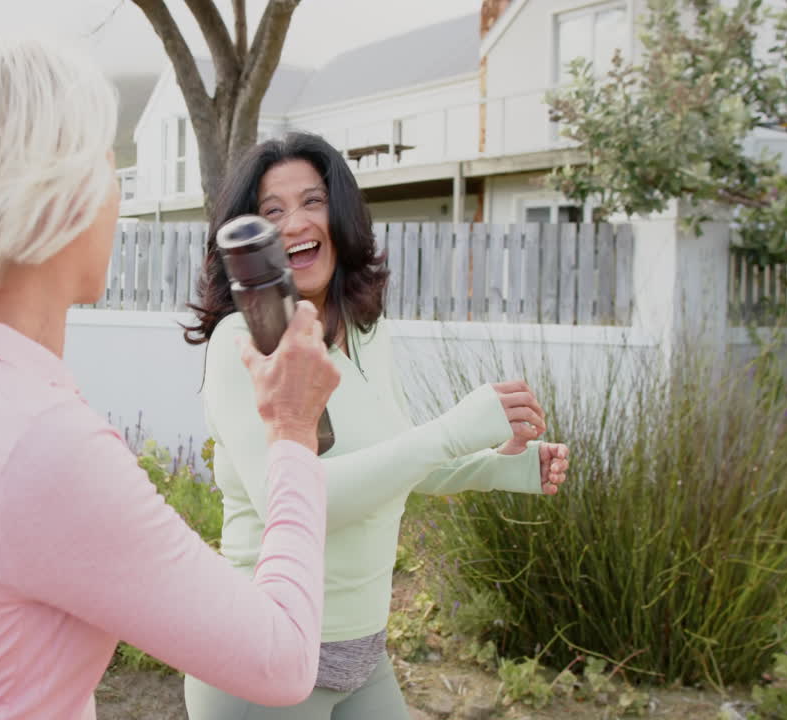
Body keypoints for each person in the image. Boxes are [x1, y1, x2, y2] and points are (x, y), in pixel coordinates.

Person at [0, 37, 345, 720]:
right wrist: (291, 431)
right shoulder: (34, 442)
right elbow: (283, 661)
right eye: (108, 163)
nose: (116, 192)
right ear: (55, 194)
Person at [181, 131, 572, 719]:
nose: (294, 224)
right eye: (271, 211)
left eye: (312, 201)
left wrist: (499, 466)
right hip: (264, 657)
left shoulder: (368, 333)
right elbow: (296, 505)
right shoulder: (247, 345)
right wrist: (452, 430)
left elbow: (395, 460)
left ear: (340, 214)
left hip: (362, 650)